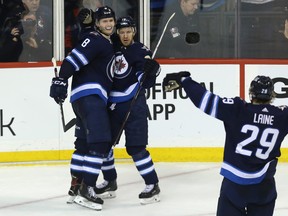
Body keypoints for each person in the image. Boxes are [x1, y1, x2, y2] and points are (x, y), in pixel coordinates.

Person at [163, 72, 288, 215]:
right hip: (264, 187)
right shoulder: (283, 115)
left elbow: (205, 100)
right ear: (272, 96)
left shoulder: (237, 109)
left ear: (251, 94)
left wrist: (185, 81)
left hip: (235, 186)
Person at [49, 6, 116, 211]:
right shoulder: (95, 39)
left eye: (111, 20)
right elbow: (72, 59)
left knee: (84, 145)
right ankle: (88, 189)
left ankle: (76, 187)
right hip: (90, 97)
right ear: (97, 23)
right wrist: (60, 79)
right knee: (101, 142)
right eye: (104, 21)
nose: (109, 24)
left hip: (84, 98)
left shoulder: (103, 41)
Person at [94, 16, 161, 205]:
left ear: (134, 31)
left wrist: (153, 70)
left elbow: (146, 81)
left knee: (136, 148)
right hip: (113, 104)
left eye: (128, 31)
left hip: (134, 104)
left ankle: (152, 183)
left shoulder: (140, 50)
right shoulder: (111, 45)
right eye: (122, 32)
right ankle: (110, 181)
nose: (125, 35)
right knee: (104, 144)